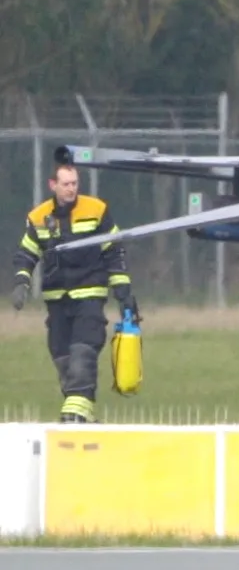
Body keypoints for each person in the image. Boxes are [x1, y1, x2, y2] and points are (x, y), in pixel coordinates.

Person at [10, 157, 138, 423]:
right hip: (57, 300)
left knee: (83, 351)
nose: (71, 189)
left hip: (89, 295)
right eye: (66, 184)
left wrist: (123, 294)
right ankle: (83, 414)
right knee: (61, 356)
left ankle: (75, 414)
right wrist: (22, 282)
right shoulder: (38, 217)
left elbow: (114, 252)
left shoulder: (97, 210)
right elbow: (27, 253)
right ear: (53, 185)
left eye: (75, 183)